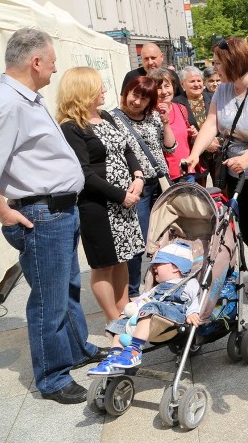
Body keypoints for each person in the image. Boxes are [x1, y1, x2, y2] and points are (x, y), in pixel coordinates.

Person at [0, 28, 106, 404]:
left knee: (66, 290)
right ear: (35, 62)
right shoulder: (5, 103)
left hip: (58, 211)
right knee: (47, 301)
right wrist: (3, 212)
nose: (55, 69)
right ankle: (52, 377)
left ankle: (76, 349)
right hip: (41, 213)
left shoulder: (26, 99)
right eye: (52, 62)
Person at [184, 38, 248, 317]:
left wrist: (247, 158)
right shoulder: (225, 89)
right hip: (236, 170)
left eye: (218, 62)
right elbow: (211, 123)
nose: (214, 67)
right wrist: (195, 153)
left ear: (232, 62)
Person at [58, 67, 146, 324]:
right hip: (99, 206)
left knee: (122, 259)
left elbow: (127, 149)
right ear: (83, 90)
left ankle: (125, 309)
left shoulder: (106, 116)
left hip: (124, 203)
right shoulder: (72, 127)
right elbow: (85, 174)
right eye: (99, 86)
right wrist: (121, 195)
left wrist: (138, 177)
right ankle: (113, 321)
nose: (104, 90)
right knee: (103, 265)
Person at [88, 241, 200, 374]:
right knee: (122, 320)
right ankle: (115, 355)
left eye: (159, 264)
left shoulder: (189, 283)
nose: (154, 267)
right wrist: (127, 311)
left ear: (175, 267)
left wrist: (193, 312)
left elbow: (197, 297)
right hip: (151, 315)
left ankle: (134, 350)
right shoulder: (157, 287)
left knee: (150, 306)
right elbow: (143, 298)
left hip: (173, 314)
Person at [112, 76, 177, 298]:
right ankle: (131, 290)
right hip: (136, 187)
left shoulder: (154, 118)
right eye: (135, 95)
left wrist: (166, 122)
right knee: (138, 239)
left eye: (144, 98)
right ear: (126, 93)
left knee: (166, 234)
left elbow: (170, 147)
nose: (137, 101)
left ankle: (166, 279)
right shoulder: (114, 119)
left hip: (161, 182)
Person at [174, 66, 220, 187]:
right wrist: (204, 143)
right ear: (183, 84)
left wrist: (215, 142)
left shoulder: (214, 99)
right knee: (199, 194)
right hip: (195, 157)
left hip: (216, 153)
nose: (196, 84)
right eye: (192, 81)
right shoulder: (176, 103)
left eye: (199, 81)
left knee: (222, 191)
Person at [150, 69, 194, 183]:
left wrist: (192, 134)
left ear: (173, 87)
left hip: (186, 171)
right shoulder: (149, 114)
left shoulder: (181, 108)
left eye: (167, 86)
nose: (164, 91)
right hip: (163, 176)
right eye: (159, 88)